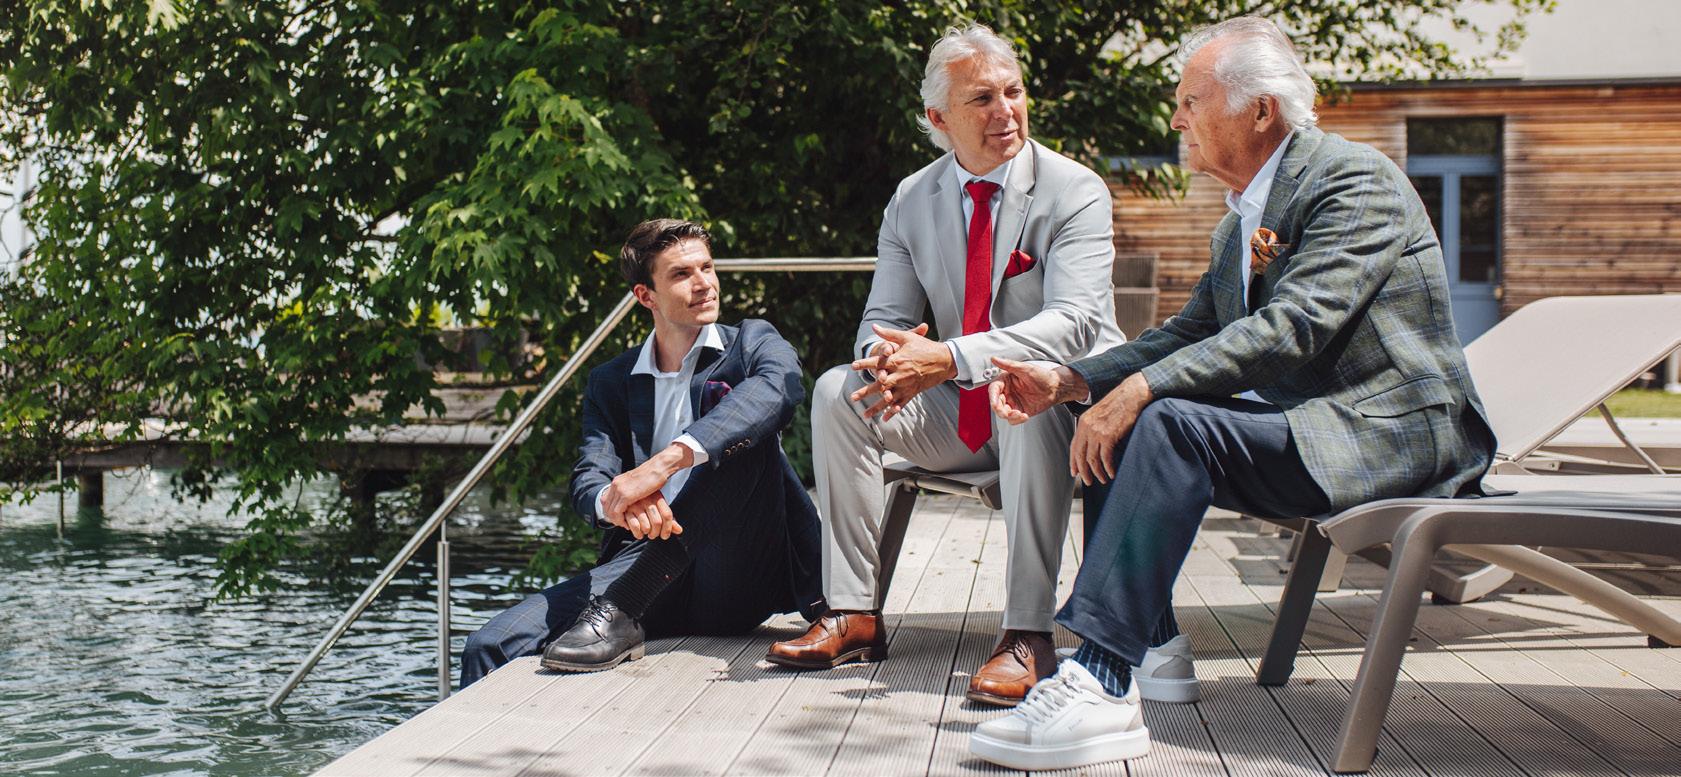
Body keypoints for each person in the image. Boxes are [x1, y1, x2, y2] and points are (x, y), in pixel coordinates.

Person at [968, 16, 1498, 771]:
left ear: (1260, 111)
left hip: (1394, 436)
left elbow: (1294, 327)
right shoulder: (1241, 220)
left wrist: (1140, 389)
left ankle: (1100, 680)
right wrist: (1072, 380)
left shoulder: (1354, 180)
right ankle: (1152, 647)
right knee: (1119, 413)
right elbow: (1187, 333)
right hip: (1314, 429)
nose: (1176, 119)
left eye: (1191, 100)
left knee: (1167, 420)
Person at [765, 23, 1136, 708]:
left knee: (1021, 389)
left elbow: (1076, 322)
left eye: (1012, 92)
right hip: (957, 412)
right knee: (839, 390)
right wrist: (887, 357)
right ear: (939, 119)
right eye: (982, 100)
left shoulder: (1073, 188)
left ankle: (1028, 632)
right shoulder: (912, 197)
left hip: (1066, 405)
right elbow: (882, 317)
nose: (1006, 111)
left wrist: (949, 357)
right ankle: (852, 612)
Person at [460, 218, 825, 687]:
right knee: (489, 643)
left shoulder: (752, 343)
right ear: (645, 295)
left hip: (737, 571)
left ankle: (624, 605)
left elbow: (781, 389)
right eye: (681, 274)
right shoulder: (611, 380)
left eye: (707, 267)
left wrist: (664, 463)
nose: (703, 283)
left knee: (740, 438)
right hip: (647, 563)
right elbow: (589, 476)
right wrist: (618, 502)